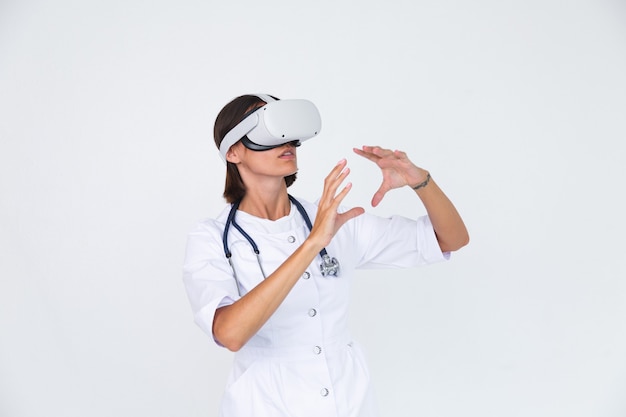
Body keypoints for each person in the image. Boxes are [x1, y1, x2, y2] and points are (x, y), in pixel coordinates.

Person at [183, 93, 469, 417]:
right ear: (233, 151)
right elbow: (230, 334)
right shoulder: (211, 238)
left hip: (347, 400)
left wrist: (422, 182)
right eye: (267, 130)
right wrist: (311, 245)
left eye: (288, 131)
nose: (285, 140)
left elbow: (451, 239)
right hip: (264, 404)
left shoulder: (334, 219)